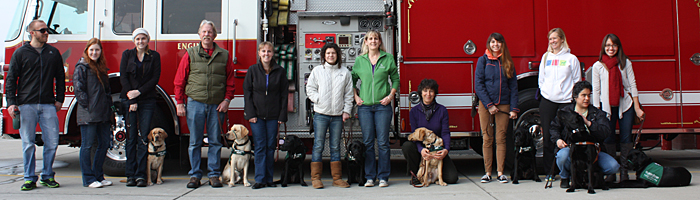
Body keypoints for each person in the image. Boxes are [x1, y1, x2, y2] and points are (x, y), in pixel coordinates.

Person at [174, 20, 235, 189]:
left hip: (217, 105)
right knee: (195, 142)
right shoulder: (190, 53)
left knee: (215, 141)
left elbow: (230, 80)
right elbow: (180, 80)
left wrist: (227, 100)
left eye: (210, 32)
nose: (207, 34)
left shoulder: (224, 55)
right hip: (195, 103)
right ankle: (195, 175)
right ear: (199, 35)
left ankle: (214, 175)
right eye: (204, 32)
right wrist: (180, 102)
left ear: (215, 35)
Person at [6, 19, 65, 191]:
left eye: (47, 30)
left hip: (48, 104)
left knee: (52, 142)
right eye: (43, 30)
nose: (46, 33)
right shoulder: (20, 53)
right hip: (26, 105)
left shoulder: (53, 53)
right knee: (28, 144)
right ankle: (29, 178)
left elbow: (60, 77)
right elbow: (11, 79)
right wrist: (11, 103)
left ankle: (47, 176)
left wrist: (59, 99)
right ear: (32, 33)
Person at [591, 34, 645, 182]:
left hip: (625, 105)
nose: (611, 48)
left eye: (614, 45)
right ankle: (611, 172)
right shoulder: (598, 66)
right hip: (605, 107)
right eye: (608, 45)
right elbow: (596, 90)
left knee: (626, 137)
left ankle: (624, 172)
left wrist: (637, 107)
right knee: (608, 138)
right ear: (604, 47)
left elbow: (632, 85)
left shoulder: (625, 63)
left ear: (618, 47)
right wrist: (596, 111)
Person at [351, 30, 399, 188]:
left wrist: (390, 96)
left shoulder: (388, 58)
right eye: (370, 38)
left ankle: (383, 177)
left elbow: (395, 79)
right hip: (364, 107)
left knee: (383, 143)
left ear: (379, 42)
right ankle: (370, 177)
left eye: (376, 38)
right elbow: (351, 80)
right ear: (365, 41)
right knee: (368, 142)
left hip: (382, 107)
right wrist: (356, 97)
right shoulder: (360, 60)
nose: (373, 41)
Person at [551, 81, 619, 188]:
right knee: (562, 156)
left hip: (591, 150)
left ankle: (591, 176)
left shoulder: (597, 113)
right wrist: (558, 140)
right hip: (571, 148)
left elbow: (605, 132)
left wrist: (589, 123)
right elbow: (554, 128)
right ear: (575, 97)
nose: (587, 98)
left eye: (588, 95)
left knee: (613, 166)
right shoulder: (566, 111)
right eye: (583, 95)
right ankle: (565, 177)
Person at [306, 43, 353, 189]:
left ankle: (337, 178)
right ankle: (316, 178)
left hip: (337, 116)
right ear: (323, 56)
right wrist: (318, 99)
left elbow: (349, 94)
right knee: (318, 145)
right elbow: (310, 88)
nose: (331, 55)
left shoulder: (345, 72)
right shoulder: (317, 71)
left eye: (333, 53)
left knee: (335, 146)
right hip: (320, 114)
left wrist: (346, 111)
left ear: (338, 55)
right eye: (328, 53)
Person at [243, 41, 289, 189]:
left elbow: (284, 95)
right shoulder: (252, 70)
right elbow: (247, 93)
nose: (266, 54)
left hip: (273, 116)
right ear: (259, 53)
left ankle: (269, 179)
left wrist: (282, 115)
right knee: (260, 147)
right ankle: (260, 179)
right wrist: (250, 113)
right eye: (263, 51)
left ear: (273, 54)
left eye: (269, 51)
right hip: (256, 116)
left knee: (270, 147)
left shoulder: (280, 71)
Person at [538, 28, 581, 181]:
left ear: (562, 39)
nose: (553, 41)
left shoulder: (571, 59)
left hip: (566, 104)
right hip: (548, 102)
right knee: (549, 137)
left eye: (555, 38)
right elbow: (541, 79)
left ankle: (567, 171)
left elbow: (577, 82)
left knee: (566, 137)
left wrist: (571, 98)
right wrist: (547, 93)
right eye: (550, 39)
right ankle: (550, 172)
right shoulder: (545, 57)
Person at [474, 32, 519, 183]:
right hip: (486, 105)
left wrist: (513, 108)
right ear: (489, 44)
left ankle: (500, 172)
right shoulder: (483, 61)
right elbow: (478, 85)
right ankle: (487, 172)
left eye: (498, 42)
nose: (495, 45)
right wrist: (489, 105)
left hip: (504, 103)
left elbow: (513, 86)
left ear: (502, 44)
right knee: (487, 138)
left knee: (501, 138)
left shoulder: (507, 62)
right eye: (493, 42)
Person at [120, 28, 161, 187]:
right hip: (130, 100)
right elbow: (124, 77)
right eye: (137, 39)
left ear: (148, 40)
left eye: (143, 38)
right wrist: (132, 99)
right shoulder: (127, 55)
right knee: (131, 138)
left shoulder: (154, 56)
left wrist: (140, 92)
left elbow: (155, 78)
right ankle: (130, 174)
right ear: (133, 41)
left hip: (148, 100)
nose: (140, 42)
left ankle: (141, 176)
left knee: (144, 137)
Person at [401, 79, 459, 185]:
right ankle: (415, 174)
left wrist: (445, 150)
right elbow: (415, 136)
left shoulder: (442, 110)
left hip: (437, 150)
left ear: (435, 93)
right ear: (421, 93)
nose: (428, 94)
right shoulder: (414, 112)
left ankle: (434, 175)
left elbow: (445, 132)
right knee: (407, 146)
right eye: (425, 91)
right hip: (422, 151)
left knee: (452, 178)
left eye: (431, 91)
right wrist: (421, 150)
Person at [74, 38, 113, 188]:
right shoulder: (82, 67)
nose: (94, 52)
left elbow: (107, 91)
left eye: (97, 50)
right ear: (87, 51)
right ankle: (88, 179)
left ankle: (98, 175)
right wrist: (88, 107)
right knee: (87, 146)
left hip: (103, 113)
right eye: (91, 50)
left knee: (104, 144)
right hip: (89, 114)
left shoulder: (101, 68)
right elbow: (79, 90)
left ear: (101, 52)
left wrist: (109, 109)